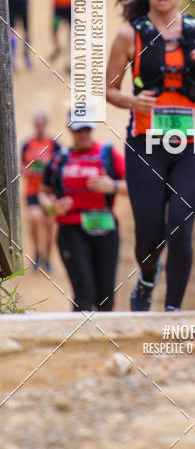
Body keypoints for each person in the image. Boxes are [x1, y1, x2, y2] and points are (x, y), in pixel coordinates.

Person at [106, 0, 195, 312]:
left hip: (191, 143)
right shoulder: (131, 35)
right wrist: (133, 101)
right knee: (149, 232)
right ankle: (146, 278)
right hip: (145, 141)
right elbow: (108, 90)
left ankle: (172, 308)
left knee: (181, 223)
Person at [38, 115, 127, 311]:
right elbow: (43, 194)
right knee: (84, 291)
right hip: (71, 228)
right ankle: (79, 338)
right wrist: (53, 207)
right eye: (79, 130)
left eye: (87, 129)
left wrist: (112, 185)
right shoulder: (60, 158)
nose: (83, 134)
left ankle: (103, 340)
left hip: (105, 226)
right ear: (70, 129)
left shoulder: (108, 154)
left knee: (106, 297)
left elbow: (135, 187)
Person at [20, 111, 61, 271]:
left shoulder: (54, 144)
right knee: (34, 219)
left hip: (49, 192)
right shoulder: (27, 144)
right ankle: (37, 253)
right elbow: (22, 166)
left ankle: (47, 259)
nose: (39, 126)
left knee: (49, 225)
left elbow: (62, 165)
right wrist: (26, 171)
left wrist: (48, 170)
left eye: (41, 123)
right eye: (36, 123)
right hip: (32, 191)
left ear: (45, 124)